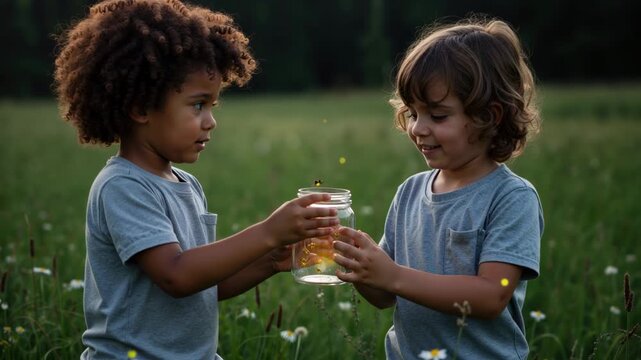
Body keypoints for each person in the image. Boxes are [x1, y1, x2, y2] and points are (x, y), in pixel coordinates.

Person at [53, 1, 338, 358]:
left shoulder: (186, 184)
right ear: (140, 107)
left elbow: (204, 284)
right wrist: (268, 231)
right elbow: (177, 276)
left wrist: (269, 259)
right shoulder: (122, 187)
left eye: (213, 107)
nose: (210, 121)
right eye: (197, 105)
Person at [332, 17, 544, 360]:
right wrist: (362, 267)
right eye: (413, 113)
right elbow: (386, 295)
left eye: (438, 116)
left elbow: (494, 295)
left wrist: (394, 276)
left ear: (489, 116)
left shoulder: (510, 197)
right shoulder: (410, 192)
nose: (418, 128)